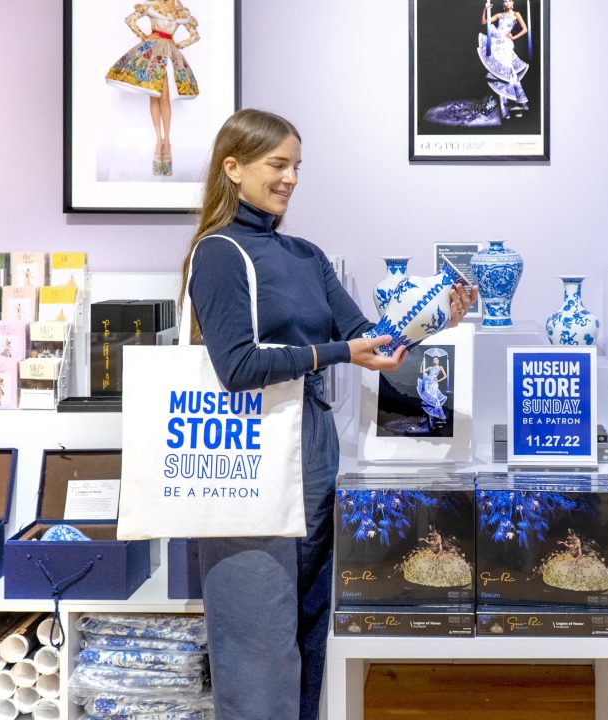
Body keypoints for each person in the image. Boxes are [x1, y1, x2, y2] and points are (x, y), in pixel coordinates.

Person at [183, 108, 477, 720]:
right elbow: (236, 366)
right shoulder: (218, 253)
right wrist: (339, 352)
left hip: (313, 445)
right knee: (257, 641)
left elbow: (375, 341)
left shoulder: (305, 254)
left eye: (296, 167)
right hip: (249, 448)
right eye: (277, 165)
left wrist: (439, 316)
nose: (290, 178)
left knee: (312, 628)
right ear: (232, 169)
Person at [105, 0, 201, 176]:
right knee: (154, 94)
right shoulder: (154, 5)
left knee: (163, 96)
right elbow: (130, 19)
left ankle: (166, 140)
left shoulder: (181, 11)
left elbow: (195, 36)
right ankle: (160, 139)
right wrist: (144, 37)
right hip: (154, 52)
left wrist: (176, 46)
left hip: (169, 54)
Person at [479, 0, 529, 119]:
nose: (507, 3)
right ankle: (505, 106)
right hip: (496, 44)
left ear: (513, 3)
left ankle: (520, 101)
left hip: (506, 44)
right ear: (503, 4)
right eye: (505, 1)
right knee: (500, 73)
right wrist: (485, 9)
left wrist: (513, 37)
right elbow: (484, 22)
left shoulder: (516, 14)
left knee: (509, 72)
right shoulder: (499, 15)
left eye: (509, 1)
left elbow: (525, 29)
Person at [417, 355, 449, 428]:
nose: (435, 361)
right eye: (434, 360)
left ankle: (437, 420)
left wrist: (438, 380)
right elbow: (421, 372)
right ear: (433, 361)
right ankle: (430, 422)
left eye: (436, 360)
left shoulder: (440, 367)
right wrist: (422, 364)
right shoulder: (431, 367)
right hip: (428, 384)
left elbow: (445, 376)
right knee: (428, 401)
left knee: (435, 401)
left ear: (438, 361)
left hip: (434, 385)